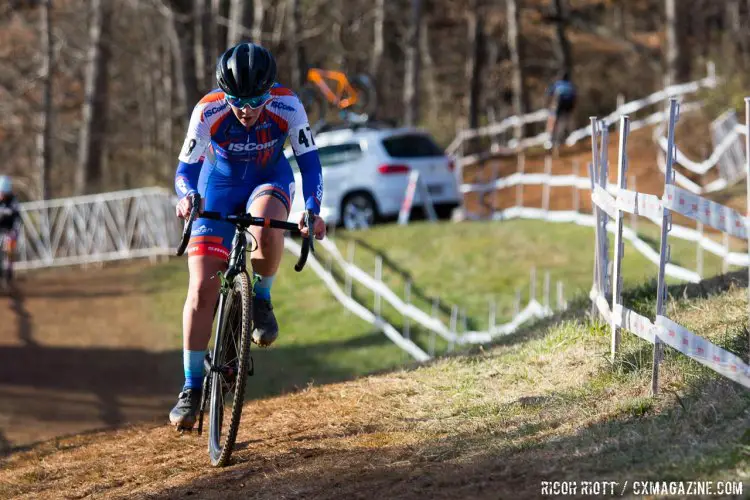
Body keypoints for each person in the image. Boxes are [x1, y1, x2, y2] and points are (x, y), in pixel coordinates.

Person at [169, 43, 327, 429]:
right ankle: (191, 387)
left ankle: (262, 298)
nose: (246, 108)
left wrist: (312, 210)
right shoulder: (208, 110)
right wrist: (188, 197)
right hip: (218, 183)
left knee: (267, 225)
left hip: (268, 179)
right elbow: (184, 172)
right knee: (201, 289)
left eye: (255, 99)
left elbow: (310, 164)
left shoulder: (288, 105)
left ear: (269, 90)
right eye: (237, 99)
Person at [544, 71, 577, 150]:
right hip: (569, 105)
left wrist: (549, 106)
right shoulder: (571, 85)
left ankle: (551, 138)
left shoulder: (558, 84)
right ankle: (566, 136)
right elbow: (575, 97)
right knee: (566, 120)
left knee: (554, 119)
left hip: (560, 103)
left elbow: (549, 94)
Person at [0, 176, 20, 287]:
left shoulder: (13, 200)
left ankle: (8, 274)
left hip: (10, 229)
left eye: (3, 193)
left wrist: (14, 232)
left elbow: (17, 217)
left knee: (9, 249)